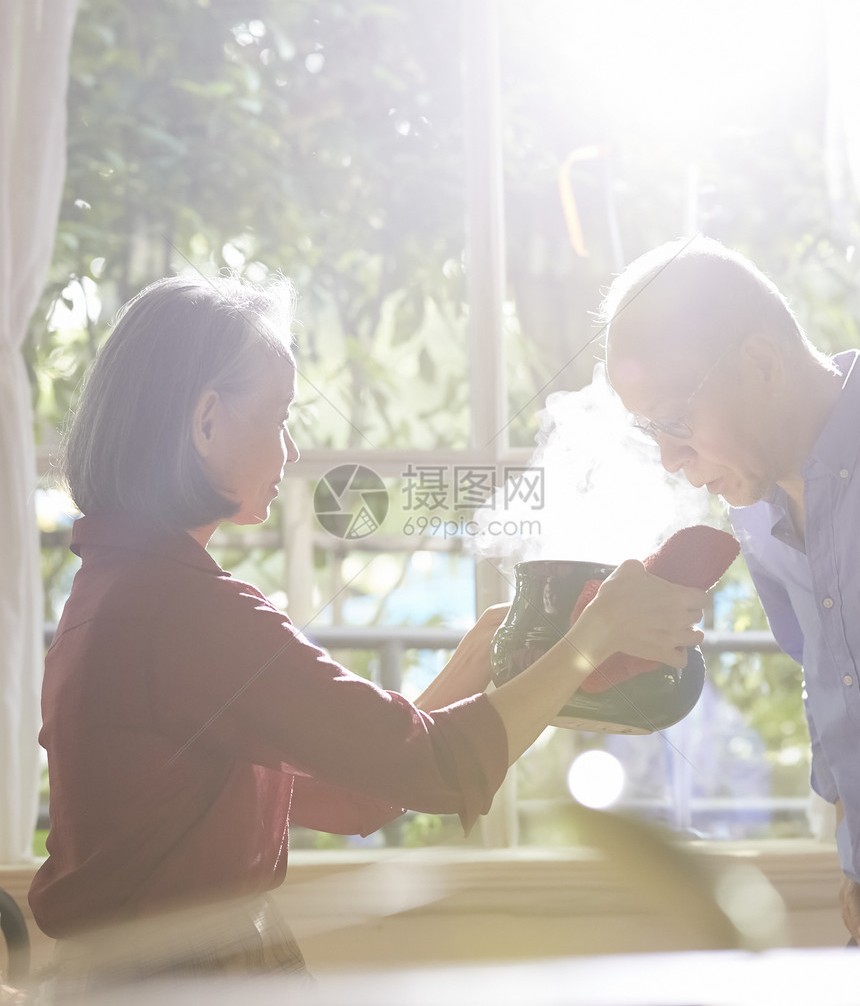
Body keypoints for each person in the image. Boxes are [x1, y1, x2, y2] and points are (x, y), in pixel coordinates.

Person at [29, 273, 707, 991]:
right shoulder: (184, 613)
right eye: (280, 416)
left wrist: (484, 653)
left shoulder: (125, 588)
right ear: (206, 421)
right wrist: (590, 638)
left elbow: (360, 792)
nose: (290, 451)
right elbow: (434, 767)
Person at [602, 235, 860, 942]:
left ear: (761, 363)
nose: (669, 460)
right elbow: (829, 675)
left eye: (676, 424)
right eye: (649, 434)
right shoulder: (752, 508)